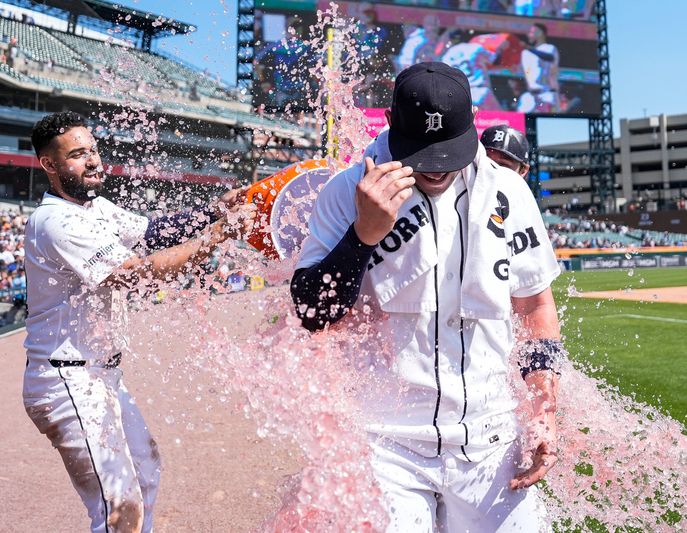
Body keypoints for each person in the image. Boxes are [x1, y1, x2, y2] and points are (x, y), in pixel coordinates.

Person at [291, 62, 564, 531]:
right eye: (422, 152)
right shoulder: (345, 192)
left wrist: (543, 409)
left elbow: (535, 307)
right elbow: (312, 314)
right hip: (384, 439)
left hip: (491, 435)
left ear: (472, 125)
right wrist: (362, 235)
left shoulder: (510, 192)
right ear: (393, 126)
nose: (436, 169)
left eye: (448, 152)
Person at [22, 111, 255, 533]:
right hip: (67, 381)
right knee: (119, 506)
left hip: (100, 376)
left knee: (146, 474)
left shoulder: (95, 207)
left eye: (92, 150)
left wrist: (211, 210)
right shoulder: (56, 221)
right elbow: (138, 271)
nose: (93, 160)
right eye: (77, 155)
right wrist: (216, 234)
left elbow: (153, 232)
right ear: (50, 165)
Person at [518, 24, 560, 114]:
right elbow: (526, 73)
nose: (529, 35)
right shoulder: (525, 52)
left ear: (540, 33)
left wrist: (528, 48)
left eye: (532, 32)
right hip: (530, 95)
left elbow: (549, 57)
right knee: (517, 125)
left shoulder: (549, 48)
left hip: (545, 94)